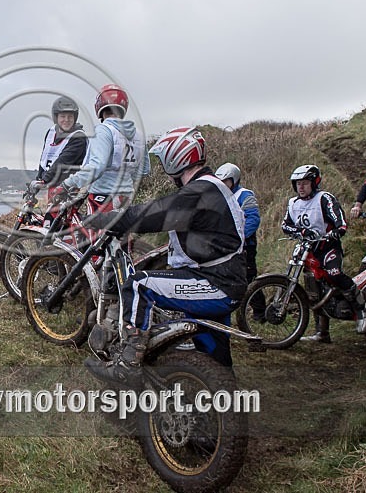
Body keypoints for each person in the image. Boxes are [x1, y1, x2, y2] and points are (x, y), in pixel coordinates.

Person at [83, 126, 247, 387]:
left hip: (215, 281)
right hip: (227, 278)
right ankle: (223, 383)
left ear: (176, 157)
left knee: (138, 284)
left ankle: (128, 365)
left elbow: (154, 213)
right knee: (212, 343)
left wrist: (104, 219)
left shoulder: (199, 191)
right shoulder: (212, 187)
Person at [282, 165, 366, 342]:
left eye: (305, 183)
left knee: (334, 274)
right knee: (313, 287)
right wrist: (303, 233)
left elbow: (341, 222)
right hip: (308, 249)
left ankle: (362, 308)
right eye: (298, 183)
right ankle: (322, 332)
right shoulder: (293, 203)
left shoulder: (325, 199)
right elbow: (286, 226)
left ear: (314, 183)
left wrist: (336, 232)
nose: (301, 187)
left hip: (328, 247)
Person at [58, 84, 150, 216]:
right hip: (126, 196)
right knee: (119, 233)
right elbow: (144, 169)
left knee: (94, 234)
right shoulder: (139, 134)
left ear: (99, 107)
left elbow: (97, 166)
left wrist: (68, 183)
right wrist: (125, 178)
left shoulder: (103, 130)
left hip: (103, 195)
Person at [214, 162, 265, 320]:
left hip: (245, 246)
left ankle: (260, 311)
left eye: (226, 181)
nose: (223, 185)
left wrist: (239, 237)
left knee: (248, 277)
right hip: (225, 246)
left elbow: (253, 219)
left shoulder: (244, 195)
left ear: (233, 180)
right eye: (220, 182)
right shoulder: (219, 198)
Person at [27, 96, 88, 226]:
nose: (66, 120)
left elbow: (62, 162)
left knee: (52, 227)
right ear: (56, 117)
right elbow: (45, 158)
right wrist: (38, 178)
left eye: (70, 117)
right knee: (53, 226)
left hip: (68, 189)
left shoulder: (78, 137)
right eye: (63, 116)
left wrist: (43, 181)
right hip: (53, 187)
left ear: (75, 117)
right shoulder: (50, 133)